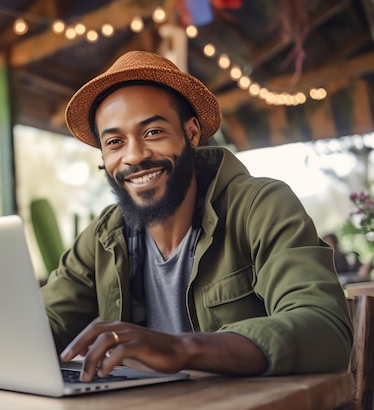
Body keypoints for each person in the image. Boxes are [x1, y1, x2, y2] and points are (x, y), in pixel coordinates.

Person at [40, 50, 352, 382]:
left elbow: (325, 328)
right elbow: (41, 326)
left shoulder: (260, 206)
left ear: (190, 134)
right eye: (115, 142)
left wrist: (182, 349)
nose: (134, 156)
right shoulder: (104, 236)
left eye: (153, 133)